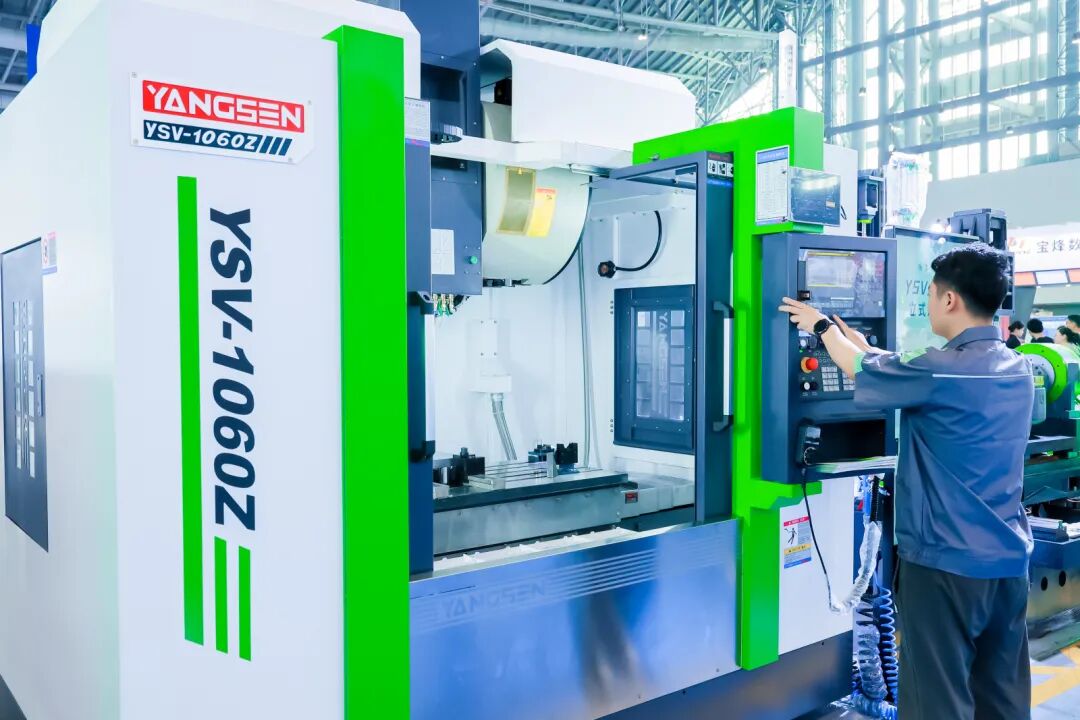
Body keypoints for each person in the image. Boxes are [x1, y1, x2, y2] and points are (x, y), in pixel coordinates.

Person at [780, 244, 1033, 720]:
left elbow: (862, 370)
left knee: (937, 699)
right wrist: (861, 344)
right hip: (1007, 561)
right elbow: (895, 366)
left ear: (950, 300)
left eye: (931, 294)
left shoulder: (939, 369)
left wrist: (820, 327)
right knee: (1000, 696)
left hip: (945, 566)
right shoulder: (1016, 367)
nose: (929, 302)